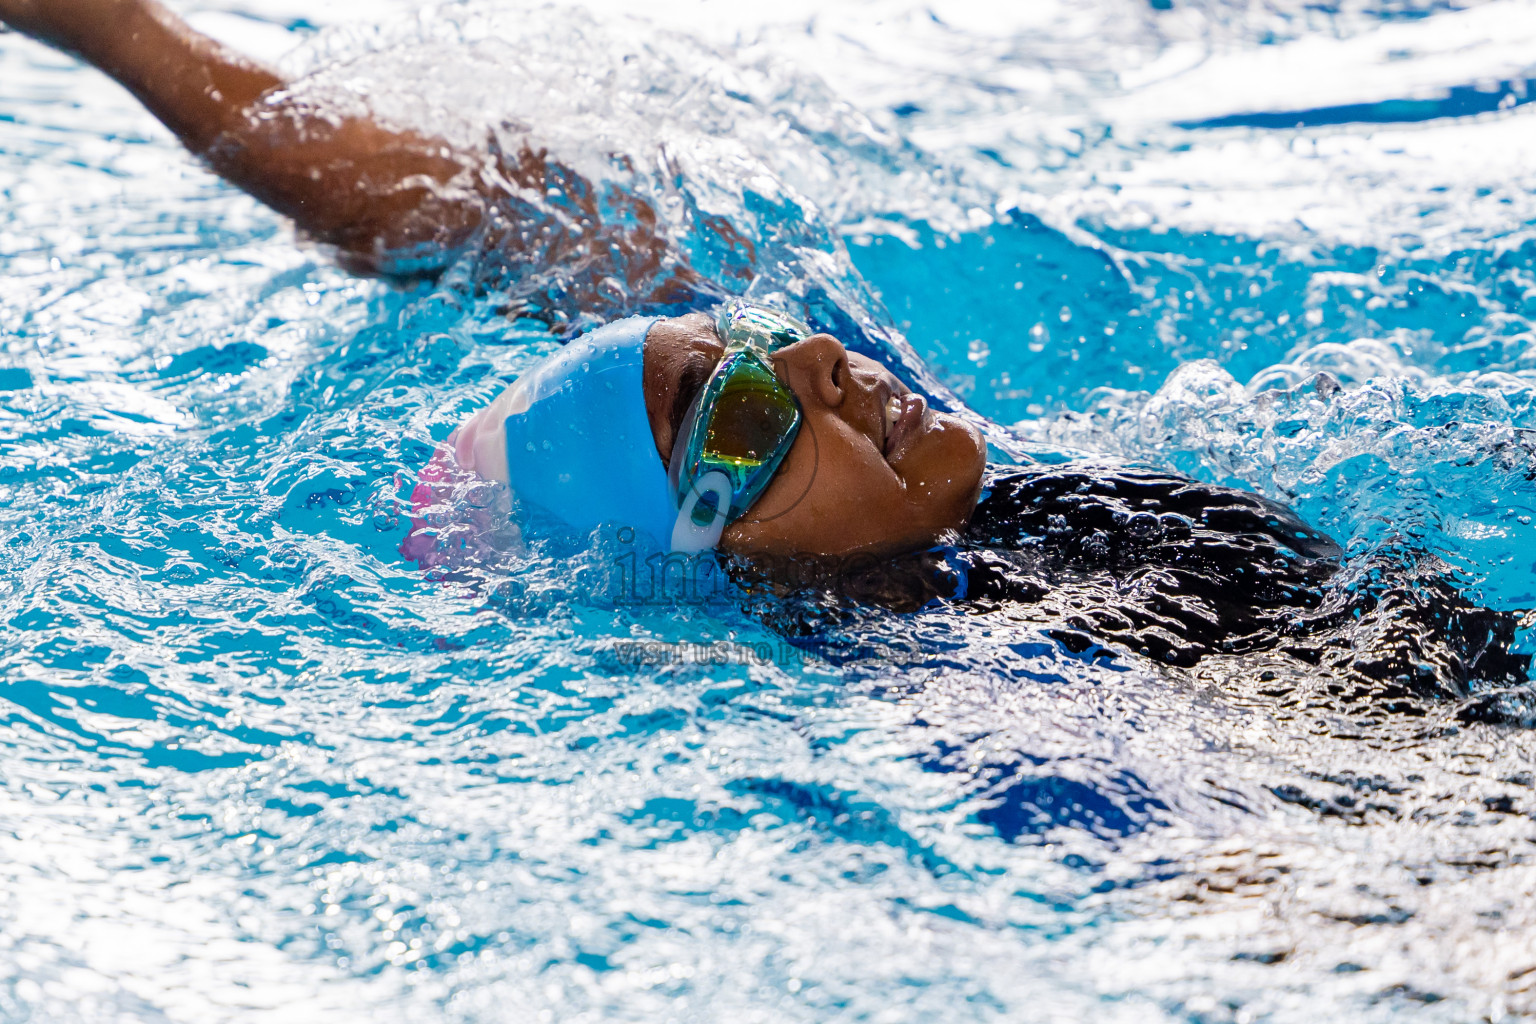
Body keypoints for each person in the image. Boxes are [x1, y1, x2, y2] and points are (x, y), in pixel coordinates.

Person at [3, 0, 1529, 718]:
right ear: (718, 563)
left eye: (753, 344)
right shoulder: (992, 702)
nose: (805, 358)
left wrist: (115, 28)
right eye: (734, 396)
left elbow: (483, 224)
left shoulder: (908, 473)